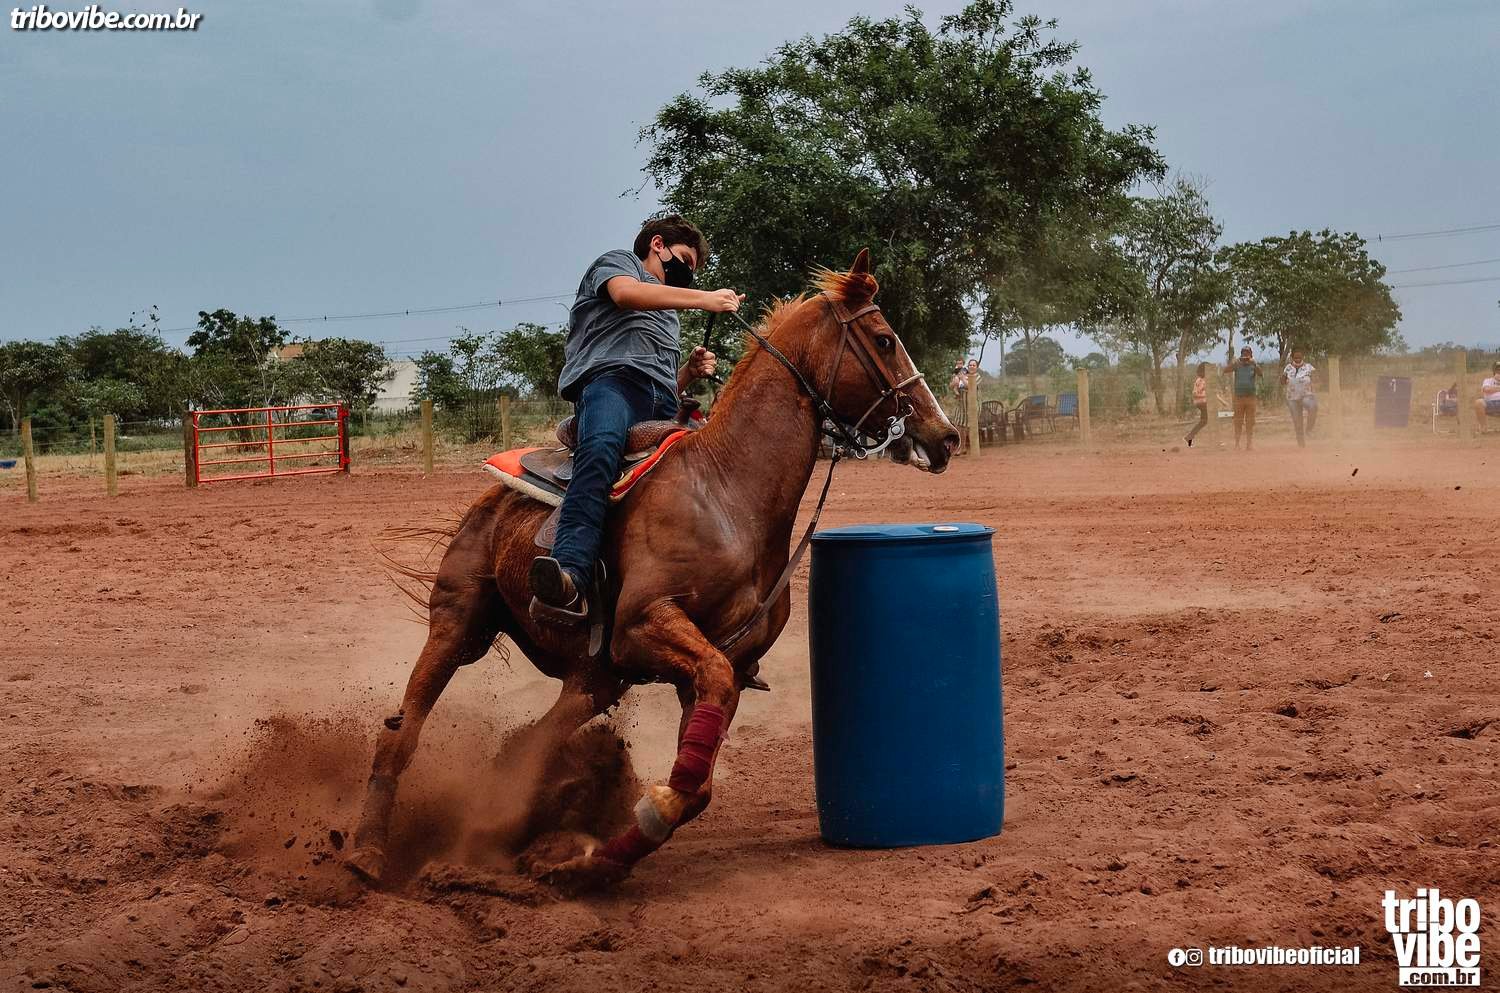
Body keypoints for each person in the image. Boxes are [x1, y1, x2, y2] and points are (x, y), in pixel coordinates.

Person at [528, 215, 740, 620]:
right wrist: (705, 298)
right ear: (657, 244)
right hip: (612, 386)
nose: (687, 274)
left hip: (659, 402)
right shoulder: (618, 263)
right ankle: (570, 575)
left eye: (693, 271)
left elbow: (664, 387)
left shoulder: (668, 314)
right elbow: (626, 294)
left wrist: (688, 372)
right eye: (684, 260)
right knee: (601, 449)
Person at [1224, 346, 1262, 450]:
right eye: (1244, 353)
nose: (1245, 356)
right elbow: (1226, 370)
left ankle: (1249, 444)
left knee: (1250, 422)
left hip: (1251, 397)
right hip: (1238, 397)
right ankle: (1237, 444)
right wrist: (1235, 362)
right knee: (1238, 421)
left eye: (1247, 353)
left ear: (1251, 355)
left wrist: (1254, 363)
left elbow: (1260, 374)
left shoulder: (1253, 365)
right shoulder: (1237, 365)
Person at [1281, 348, 1318, 447]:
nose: (1297, 359)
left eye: (1299, 357)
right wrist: (1284, 378)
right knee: (1297, 422)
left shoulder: (1309, 367)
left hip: (1306, 395)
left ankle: (1309, 429)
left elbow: (1317, 379)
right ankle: (1301, 444)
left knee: (1313, 407)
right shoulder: (1288, 368)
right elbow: (1282, 382)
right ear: (1292, 357)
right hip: (1292, 398)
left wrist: (1314, 386)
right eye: (1295, 357)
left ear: (1303, 357)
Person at [1185, 361, 1210, 446]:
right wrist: (1204, 395)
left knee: (1205, 421)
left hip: (1204, 402)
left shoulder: (1204, 380)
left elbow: (1212, 393)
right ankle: (1214, 438)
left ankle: (1190, 436)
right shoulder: (1200, 381)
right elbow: (1195, 393)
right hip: (1202, 402)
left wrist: (1223, 401)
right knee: (1207, 420)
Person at [1474, 361, 1500, 435]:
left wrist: (1494, 389)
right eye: (1498, 370)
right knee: (1478, 402)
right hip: (1490, 403)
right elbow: (1486, 389)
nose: (1499, 372)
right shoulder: (1488, 380)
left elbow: (1490, 389)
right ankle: (1483, 428)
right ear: (1494, 371)